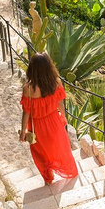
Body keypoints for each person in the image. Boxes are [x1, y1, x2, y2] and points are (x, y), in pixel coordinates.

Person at [19, 52, 78, 184]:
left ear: (32, 68)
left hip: (36, 125)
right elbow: (60, 103)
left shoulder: (28, 88)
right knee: (60, 148)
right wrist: (63, 117)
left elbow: (26, 112)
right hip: (54, 121)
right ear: (49, 66)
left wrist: (23, 131)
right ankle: (70, 171)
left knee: (40, 152)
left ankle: (48, 178)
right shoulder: (56, 82)